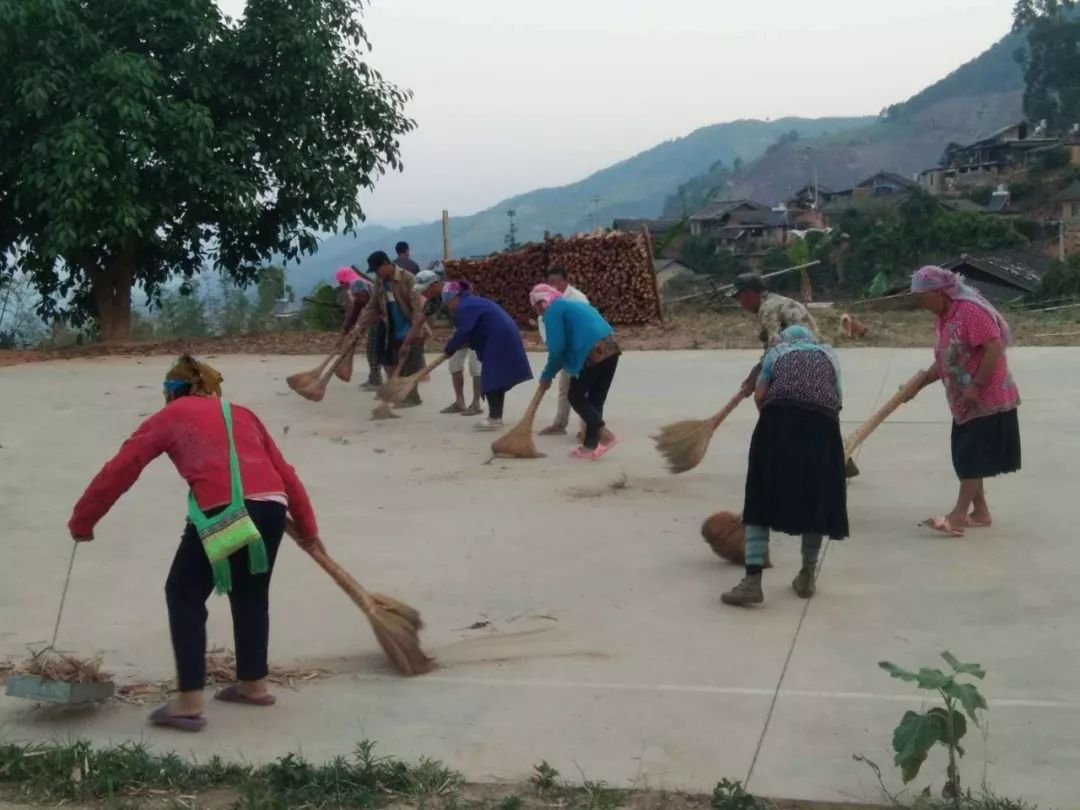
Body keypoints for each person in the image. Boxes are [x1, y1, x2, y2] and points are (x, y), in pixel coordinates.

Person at [67, 355, 321, 731]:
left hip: (223, 510)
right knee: (251, 593)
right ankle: (253, 685)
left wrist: (83, 520)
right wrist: (309, 528)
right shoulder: (243, 413)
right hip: (272, 506)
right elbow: (285, 473)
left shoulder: (170, 416)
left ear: (175, 391)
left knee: (182, 593)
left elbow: (123, 467)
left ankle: (188, 703)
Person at [721, 326, 848, 607]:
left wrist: (771, 426)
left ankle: (752, 582)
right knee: (815, 496)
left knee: (760, 495)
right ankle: (807, 577)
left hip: (778, 419)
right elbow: (837, 399)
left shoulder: (776, 352)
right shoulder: (829, 354)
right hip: (823, 424)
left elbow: (759, 395)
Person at [905, 265, 1021, 537]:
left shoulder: (969, 311)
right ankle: (980, 512)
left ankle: (958, 515)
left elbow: (994, 348)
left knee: (971, 456)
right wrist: (917, 385)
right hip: (964, 401)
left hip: (986, 397)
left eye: (923, 297)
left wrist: (976, 386)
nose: (921, 304)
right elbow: (947, 362)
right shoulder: (944, 317)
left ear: (939, 292)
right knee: (966, 455)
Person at [530, 283, 620, 459]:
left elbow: (557, 349)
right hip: (610, 346)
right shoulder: (572, 304)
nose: (535, 311)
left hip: (592, 351)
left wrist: (547, 375)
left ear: (541, 303)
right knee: (595, 399)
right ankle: (589, 446)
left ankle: (606, 436)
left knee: (575, 396)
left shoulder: (553, 312)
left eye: (534, 306)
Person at [442, 281, 533, 430]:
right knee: (497, 378)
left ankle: (494, 418)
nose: (449, 307)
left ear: (453, 299)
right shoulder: (472, 302)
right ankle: (496, 416)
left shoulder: (464, 307)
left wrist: (449, 348)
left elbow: (463, 332)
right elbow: (472, 331)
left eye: (448, 303)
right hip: (503, 336)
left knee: (492, 377)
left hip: (499, 338)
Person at [352, 251, 426, 407]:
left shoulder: (408, 279)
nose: (377, 273)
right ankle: (402, 395)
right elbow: (373, 306)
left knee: (410, 366)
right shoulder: (380, 281)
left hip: (411, 327)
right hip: (393, 328)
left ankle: (411, 398)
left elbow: (417, 309)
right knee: (393, 362)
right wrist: (360, 326)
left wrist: (414, 332)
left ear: (386, 263)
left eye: (377, 269)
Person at [730, 273, 820, 399]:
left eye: (739, 298)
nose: (741, 304)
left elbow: (774, 349)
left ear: (749, 294)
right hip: (817, 358)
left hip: (799, 360)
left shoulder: (767, 307)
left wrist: (754, 376)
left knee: (762, 396)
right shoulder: (778, 301)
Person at [413, 269, 483, 416]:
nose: (423, 294)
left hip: (477, 328)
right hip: (461, 330)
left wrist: (452, 344)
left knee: (475, 367)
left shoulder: (454, 290)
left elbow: (471, 311)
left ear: (433, 284)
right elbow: (420, 320)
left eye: (424, 290)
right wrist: (408, 342)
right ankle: (460, 402)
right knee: (455, 364)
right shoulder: (433, 300)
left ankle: (476, 404)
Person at [537, 266, 589, 438]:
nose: (553, 286)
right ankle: (560, 424)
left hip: (583, 350)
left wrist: (548, 372)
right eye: (550, 282)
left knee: (581, 391)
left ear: (566, 280)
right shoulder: (548, 301)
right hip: (566, 351)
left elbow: (582, 328)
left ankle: (586, 428)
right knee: (564, 388)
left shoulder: (577, 299)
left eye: (557, 282)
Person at [336, 267, 381, 390]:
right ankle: (374, 378)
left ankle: (376, 381)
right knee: (372, 350)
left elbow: (370, 312)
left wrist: (359, 328)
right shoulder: (358, 291)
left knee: (374, 351)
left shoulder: (363, 288)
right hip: (373, 320)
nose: (358, 299)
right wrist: (344, 333)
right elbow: (354, 314)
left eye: (341, 282)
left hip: (382, 320)